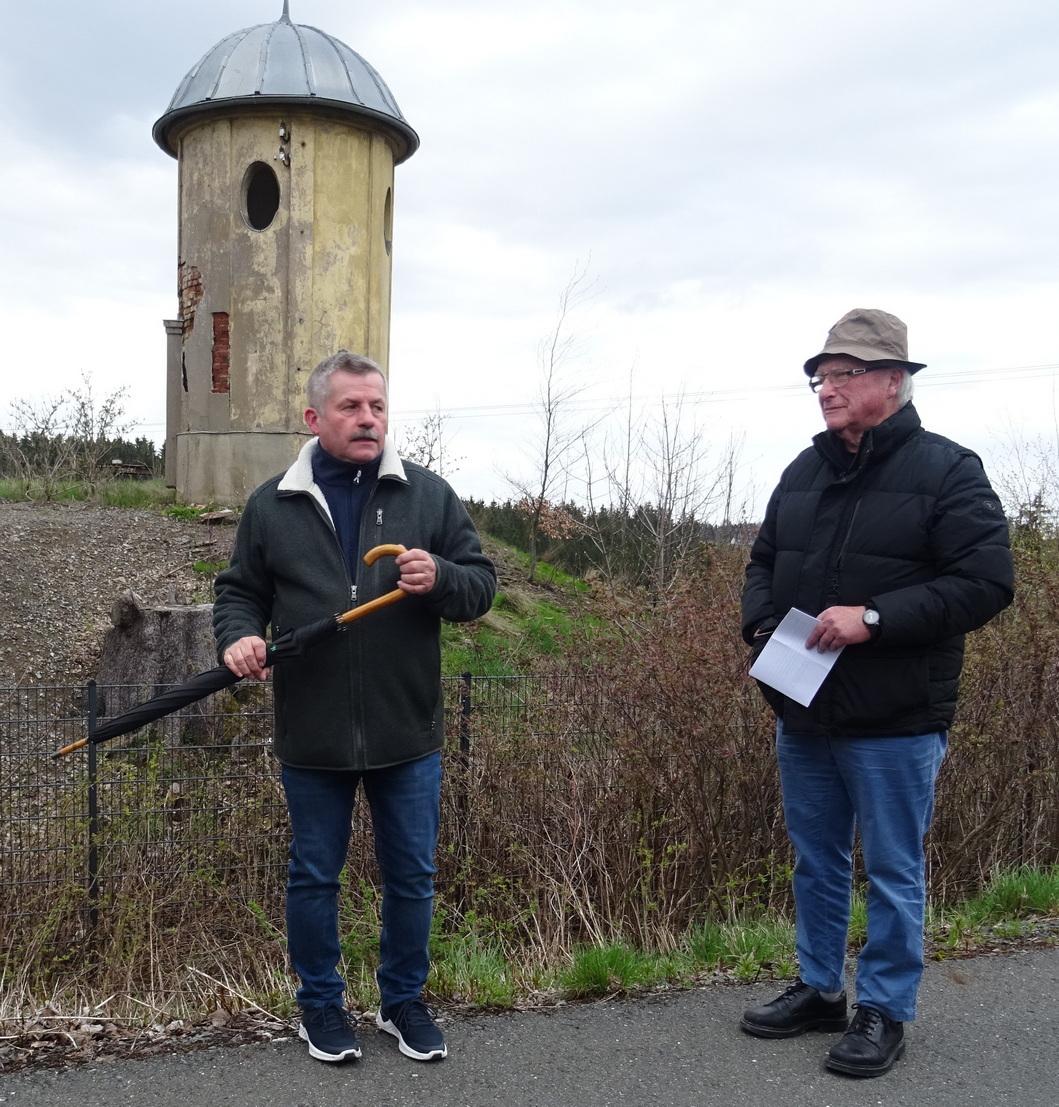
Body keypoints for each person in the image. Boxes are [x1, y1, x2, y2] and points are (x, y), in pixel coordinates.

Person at [739, 309, 1014, 1077]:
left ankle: (884, 1008)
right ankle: (820, 987)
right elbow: (763, 561)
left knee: (892, 868)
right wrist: (761, 628)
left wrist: (873, 618)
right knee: (815, 860)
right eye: (821, 376)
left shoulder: (948, 470)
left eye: (844, 374)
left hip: (895, 715)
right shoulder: (804, 467)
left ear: (892, 380)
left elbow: (985, 584)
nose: (826, 388)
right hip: (804, 709)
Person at [213, 351, 496, 1065]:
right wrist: (241, 635)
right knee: (314, 875)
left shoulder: (425, 495)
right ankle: (320, 1007)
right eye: (351, 406)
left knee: (412, 876)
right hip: (311, 730)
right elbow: (239, 590)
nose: (368, 418)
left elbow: (481, 586)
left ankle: (403, 1002)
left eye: (376, 405)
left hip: (408, 728)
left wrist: (440, 578)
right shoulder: (272, 503)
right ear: (314, 417)